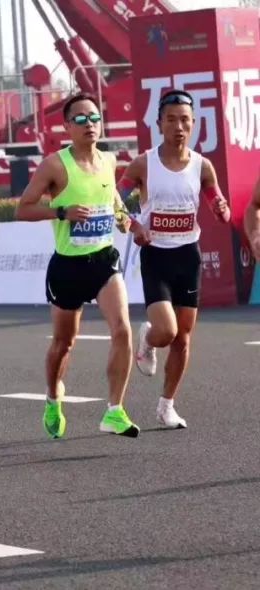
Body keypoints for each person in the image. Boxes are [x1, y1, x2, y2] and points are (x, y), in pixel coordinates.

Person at [15, 94, 139, 440]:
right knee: (63, 344)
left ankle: (114, 411)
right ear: (67, 127)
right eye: (81, 119)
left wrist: (125, 220)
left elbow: (112, 197)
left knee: (123, 330)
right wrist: (61, 212)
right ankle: (53, 397)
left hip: (103, 261)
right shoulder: (55, 166)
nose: (90, 124)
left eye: (94, 117)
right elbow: (22, 209)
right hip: (68, 267)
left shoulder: (109, 160)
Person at [119, 90, 231, 429]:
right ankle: (147, 339)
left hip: (188, 256)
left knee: (183, 338)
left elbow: (218, 205)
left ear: (193, 123)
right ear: (159, 124)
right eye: (171, 120)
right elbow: (115, 202)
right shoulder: (143, 164)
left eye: (184, 120)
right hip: (156, 255)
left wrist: (221, 208)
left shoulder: (202, 166)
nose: (178, 127)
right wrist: (135, 225)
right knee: (166, 332)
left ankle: (167, 405)